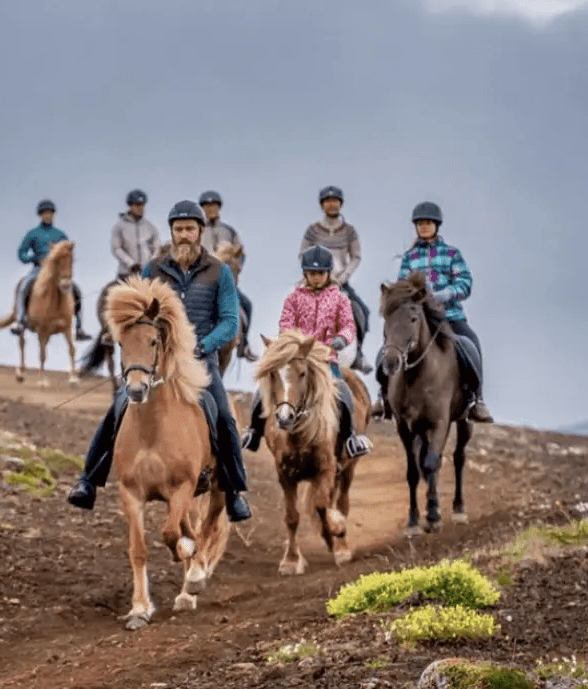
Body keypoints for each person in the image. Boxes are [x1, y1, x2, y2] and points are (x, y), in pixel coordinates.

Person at [66, 199, 252, 523]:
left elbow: (229, 322)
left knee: (224, 416)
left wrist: (203, 344)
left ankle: (233, 491)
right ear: (172, 232)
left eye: (190, 229)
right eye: (178, 229)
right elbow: (138, 313)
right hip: (157, 364)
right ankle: (88, 482)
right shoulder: (153, 269)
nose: (184, 235)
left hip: (199, 361)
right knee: (117, 409)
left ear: (200, 233)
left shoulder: (219, 272)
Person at [240, 245, 373, 458]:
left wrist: (341, 339)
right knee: (260, 391)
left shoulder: (340, 299)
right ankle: (254, 431)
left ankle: (350, 438)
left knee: (342, 392)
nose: (316, 278)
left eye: (320, 273)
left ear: (328, 273)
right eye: (312, 273)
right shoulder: (293, 299)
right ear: (305, 274)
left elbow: (348, 325)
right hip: (296, 358)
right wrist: (292, 343)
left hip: (324, 358)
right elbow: (286, 324)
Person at [371, 201, 494, 423]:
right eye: (420, 224)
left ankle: (477, 400)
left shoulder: (451, 254)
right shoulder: (410, 258)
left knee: (471, 343)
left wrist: (446, 294)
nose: (424, 227)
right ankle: (384, 397)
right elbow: (403, 285)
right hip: (418, 317)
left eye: (428, 223)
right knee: (388, 348)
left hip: (449, 316)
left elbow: (465, 282)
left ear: (437, 225)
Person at [298, 186, 373, 374]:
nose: (331, 204)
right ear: (322, 205)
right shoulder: (313, 230)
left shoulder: (349, 231)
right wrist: (314, 271)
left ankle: (358, 355)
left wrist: (343, 276)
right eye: (327, 201)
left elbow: (356, 256)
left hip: (341, 281)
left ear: (341, 204)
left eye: (335, 201)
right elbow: (302, 253)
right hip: (315, 278)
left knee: (362, 311)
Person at [11, 199, 92, 342]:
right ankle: (20, 321)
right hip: (38, 269)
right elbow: (21, 253)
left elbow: (68, 252)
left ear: (53, 215)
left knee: (76, 290)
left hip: (56, 272)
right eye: (44, 213)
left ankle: (79, 327)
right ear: (40, 215)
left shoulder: (60, 234)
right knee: (24, 286)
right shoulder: (33, 234)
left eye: (50, 213)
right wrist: (34, 258)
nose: (47, 216)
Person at [198, 190, 258, 362]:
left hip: (227, 283)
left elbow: (241, 254)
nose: (211, 210)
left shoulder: (229, 231)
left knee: (247, 305)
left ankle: (244, 344)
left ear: (219, 208)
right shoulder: (197, 232)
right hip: (202, 283)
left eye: (214, 206)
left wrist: (236, 268)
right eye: (207, 206)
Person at [111, 189, 161, 281]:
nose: (140, 208)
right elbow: (116, 249)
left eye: (142, 205)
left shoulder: (150, 227)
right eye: (137, 205)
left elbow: (157, 248)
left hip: (147, 275)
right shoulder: (119, 226)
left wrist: (151, 263)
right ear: (130, 206)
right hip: (126, 274)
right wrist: (131, 263)